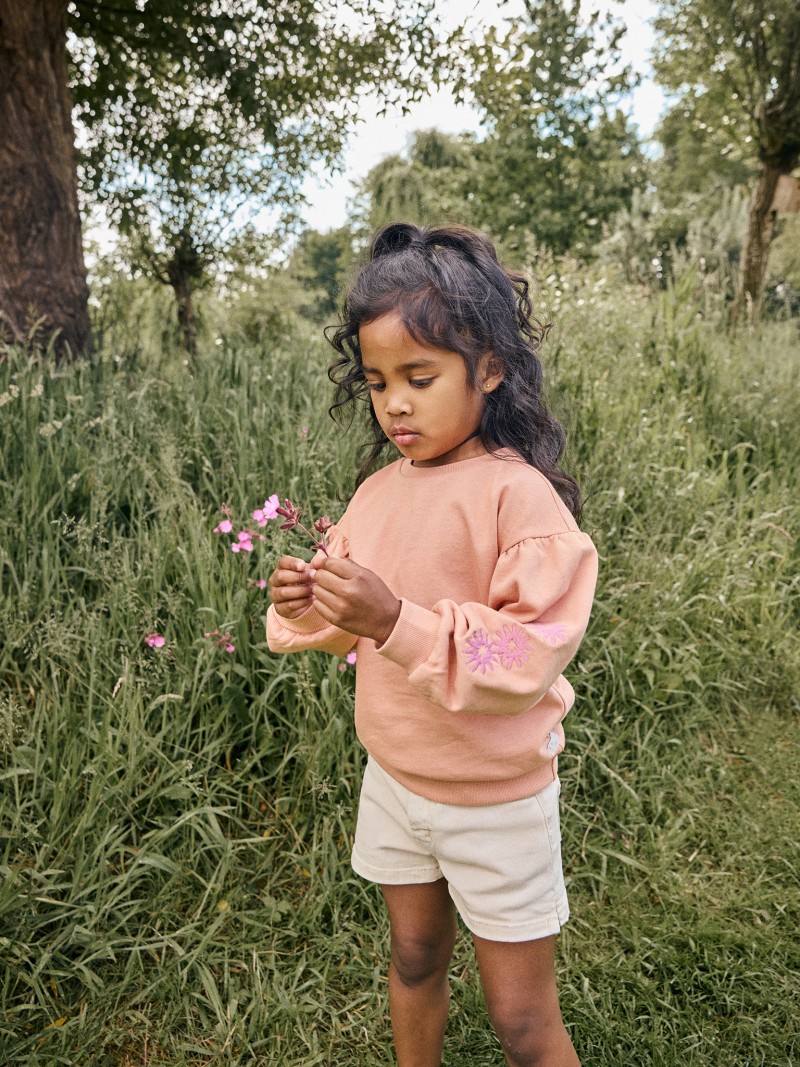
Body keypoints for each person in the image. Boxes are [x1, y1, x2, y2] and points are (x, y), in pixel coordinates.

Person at [267, 222, 598, 1067]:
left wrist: (394, 620)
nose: (396, 403)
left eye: (420, 376)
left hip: (495, 800)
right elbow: (352, 620)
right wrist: (311, 604)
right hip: (398, 778)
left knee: (521, 1017)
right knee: (414, 954)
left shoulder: (516, 500)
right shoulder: (377, 492)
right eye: (378, 382)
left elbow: (521, 658)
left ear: (488, 367)